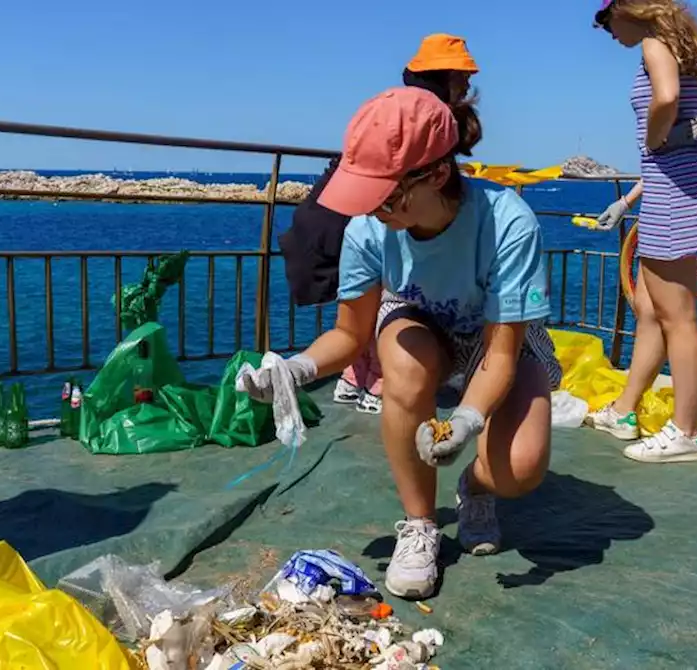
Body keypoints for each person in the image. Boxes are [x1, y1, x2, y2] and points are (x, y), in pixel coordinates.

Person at [238, 87, 560, 599]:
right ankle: (420, 524)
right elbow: (349, 333)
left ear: (435, 174)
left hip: (498, 338)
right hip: (421, 324)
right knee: (405, 367)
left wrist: (465, 422)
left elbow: (500, 355)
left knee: (518, 471)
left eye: (383, 193)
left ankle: (476, 487)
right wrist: (294, 371)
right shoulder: (368, 229)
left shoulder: (508, 224)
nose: (369, 208)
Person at [280, 34, 482, 415]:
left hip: (330, 213)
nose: (469, 83)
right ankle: (374, 380)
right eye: (464, 75)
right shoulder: (424, 120)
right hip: (343, 219)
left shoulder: (394, 110)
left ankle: (357, 378)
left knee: (366, 300)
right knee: (378, 297)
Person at [584, 0, 697, 464]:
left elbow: (666, 102)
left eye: (607, 19)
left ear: (630, 9)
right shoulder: (682, 45)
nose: (607, 31)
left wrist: (651, 137)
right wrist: (627, 200)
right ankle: (625, 411)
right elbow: (681, 142)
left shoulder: (654, 43)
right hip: (683, 186)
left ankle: (686, 432)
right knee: (650, 307)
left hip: (677, 197)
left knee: (678, 317)